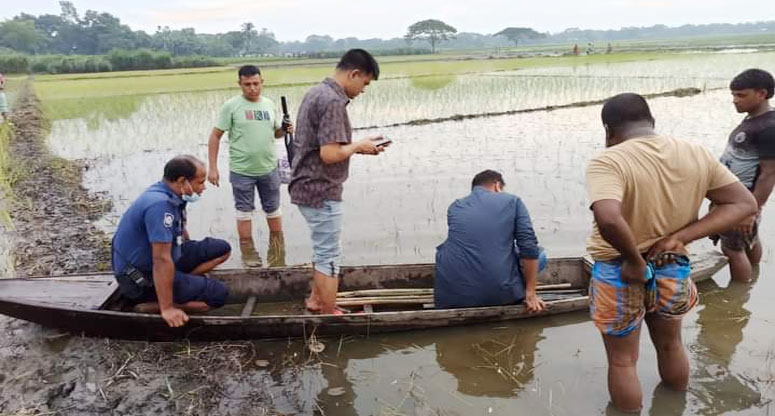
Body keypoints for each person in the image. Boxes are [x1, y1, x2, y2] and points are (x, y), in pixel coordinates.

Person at [585, 93, 756, 412]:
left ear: (609, 131)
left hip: (620, 268)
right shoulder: (695, 153)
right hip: (671, 265)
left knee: (623, 362)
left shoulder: (609, 160)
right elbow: (744, 203)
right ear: (651, 123)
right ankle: (673, 406)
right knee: (671, 344)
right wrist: (679, 238)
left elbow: (608, 218)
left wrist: (635, 261)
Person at [289, 49, 388, 315]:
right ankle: (328, 311)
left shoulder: (317, 92)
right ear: (354, 74)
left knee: (322, 249)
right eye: (365, 83)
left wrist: (360, 145)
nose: (363, 89)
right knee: (329, 254)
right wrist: (358, 146)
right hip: (320, 189)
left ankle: (316, 300)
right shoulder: (333, 100)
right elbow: (330, 154)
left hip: (306, 185)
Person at [112, 155, 231, 328]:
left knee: (222, 249)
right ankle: (154, 306)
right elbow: (160, 259)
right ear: (182, 181)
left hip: (163, 258)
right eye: (200, 182)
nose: (203, 187)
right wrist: (167, 308)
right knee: (219, 295)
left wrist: (188, 254)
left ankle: (181, 281)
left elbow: (179, 229)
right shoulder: (159, 206)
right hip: (139, 277)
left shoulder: (169, 193)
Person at [207, 65, 293, 268]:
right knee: (244, 212)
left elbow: (276, 133)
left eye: (256, 83)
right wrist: (212, 167)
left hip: (269, 168)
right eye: (247, 84)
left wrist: (285, 128)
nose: (252, 88)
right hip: (242, 171)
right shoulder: (231, 106)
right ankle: (250, 259)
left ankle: (277, 256)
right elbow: (215, 135)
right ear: (240, 85)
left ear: (262, 82)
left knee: (273, 210)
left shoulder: (269, 105)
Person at [434, 170, 547, 311]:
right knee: (540, 254)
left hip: (449, 297)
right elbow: (528, 245)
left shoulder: (455, 206)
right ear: (497, 185)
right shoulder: (513, 201)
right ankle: (524, 293)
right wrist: (531, 293)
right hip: (499, 294)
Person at [716, 68, 775, 282]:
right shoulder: (754, 120)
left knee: (733, 249)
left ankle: (738, 297)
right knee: (748, 240)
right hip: (738, 198)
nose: (735, 100)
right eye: (733, 95)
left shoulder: (769, 127)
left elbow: (769, 174)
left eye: (741, 95)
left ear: (762, 94)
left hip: (741, 200)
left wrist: (751, 210)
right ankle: (754, 274)